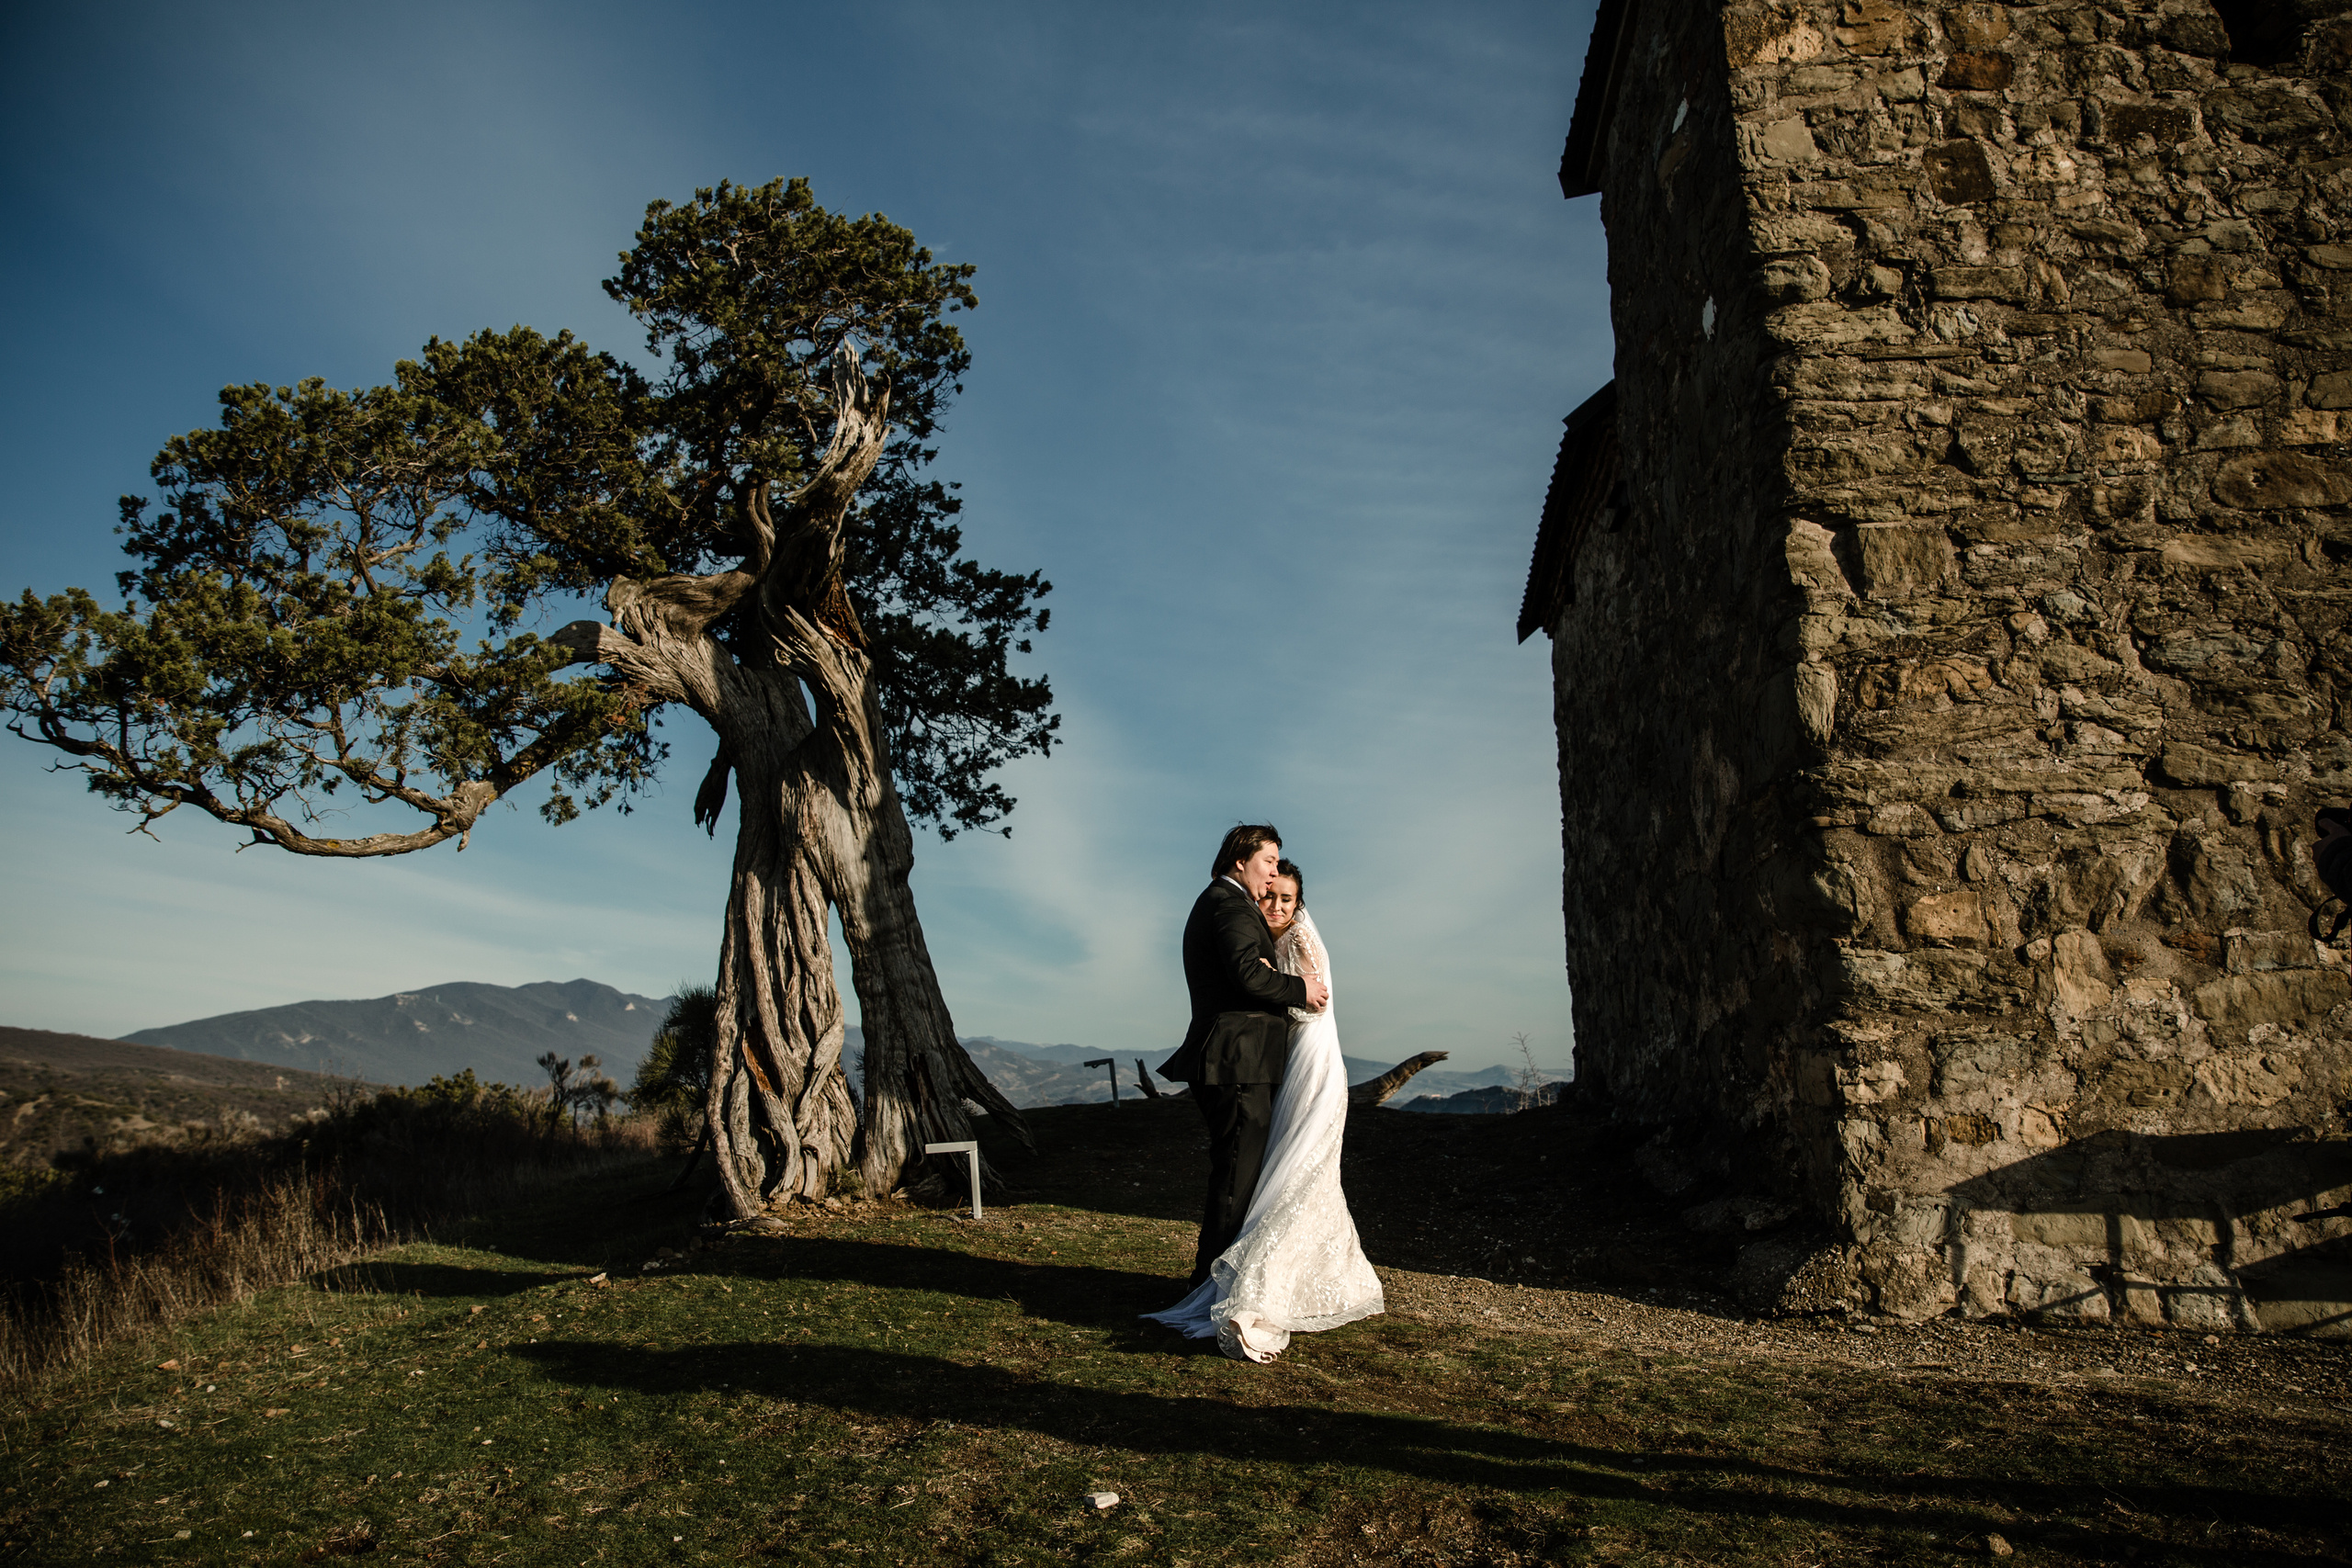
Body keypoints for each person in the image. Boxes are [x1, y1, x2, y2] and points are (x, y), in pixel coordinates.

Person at [1148, 848, 1384, 1362]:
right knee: (1261, 1174)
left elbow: (1314, 1003)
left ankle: (1241, 1278)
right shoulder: (1241, 920)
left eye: (1287, 898)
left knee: (1284, 1172)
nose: (1276, 904)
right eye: (1271, 892)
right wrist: (1281, 985)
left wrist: (1287, 987)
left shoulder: (1293, 940)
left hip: (1307, 1071)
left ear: (1300, 905)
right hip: (1264, 1065)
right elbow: (1256, 982)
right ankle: (1230, 1277)